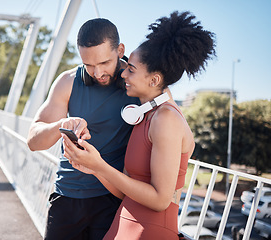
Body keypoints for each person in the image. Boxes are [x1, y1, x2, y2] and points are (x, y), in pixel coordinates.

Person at [62, 11, 216, 240]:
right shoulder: (145, 115)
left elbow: (160, 199)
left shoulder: (166, 119)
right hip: (125, 224)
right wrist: (93, 167)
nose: (123, 72)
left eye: (131, 69)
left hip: (149, 231)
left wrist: (101, 166)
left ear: (154, 80)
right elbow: (127, 191)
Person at [26, 18, 140, 239]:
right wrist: (61, 125)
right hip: (67, 196)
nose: (97, 73)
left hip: (113, 199)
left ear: (120, 50)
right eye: (89, 65)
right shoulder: (68, 81)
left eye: (104, 63)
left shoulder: (139, 83)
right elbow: (33, 141)